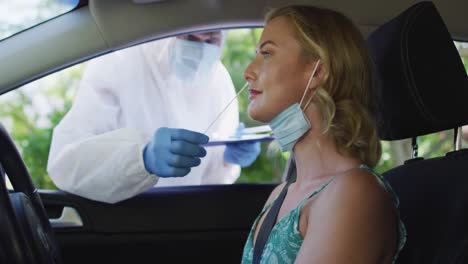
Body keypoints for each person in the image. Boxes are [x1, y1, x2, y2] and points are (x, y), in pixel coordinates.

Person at [240, 5, 406, 263]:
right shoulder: (281, 195)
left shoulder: (354, 192)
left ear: (317, 72)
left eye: (267, 53)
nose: (248, 72)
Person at [47, 31, 261, 204]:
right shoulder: (118, 62)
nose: (202, 48)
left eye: (212, 39)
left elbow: (212, 178)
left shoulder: (217, 78)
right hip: (128, 221)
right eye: (190, 38)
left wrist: (226, 158)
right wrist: (142, 159)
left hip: (192, 218)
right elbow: (66, 165)